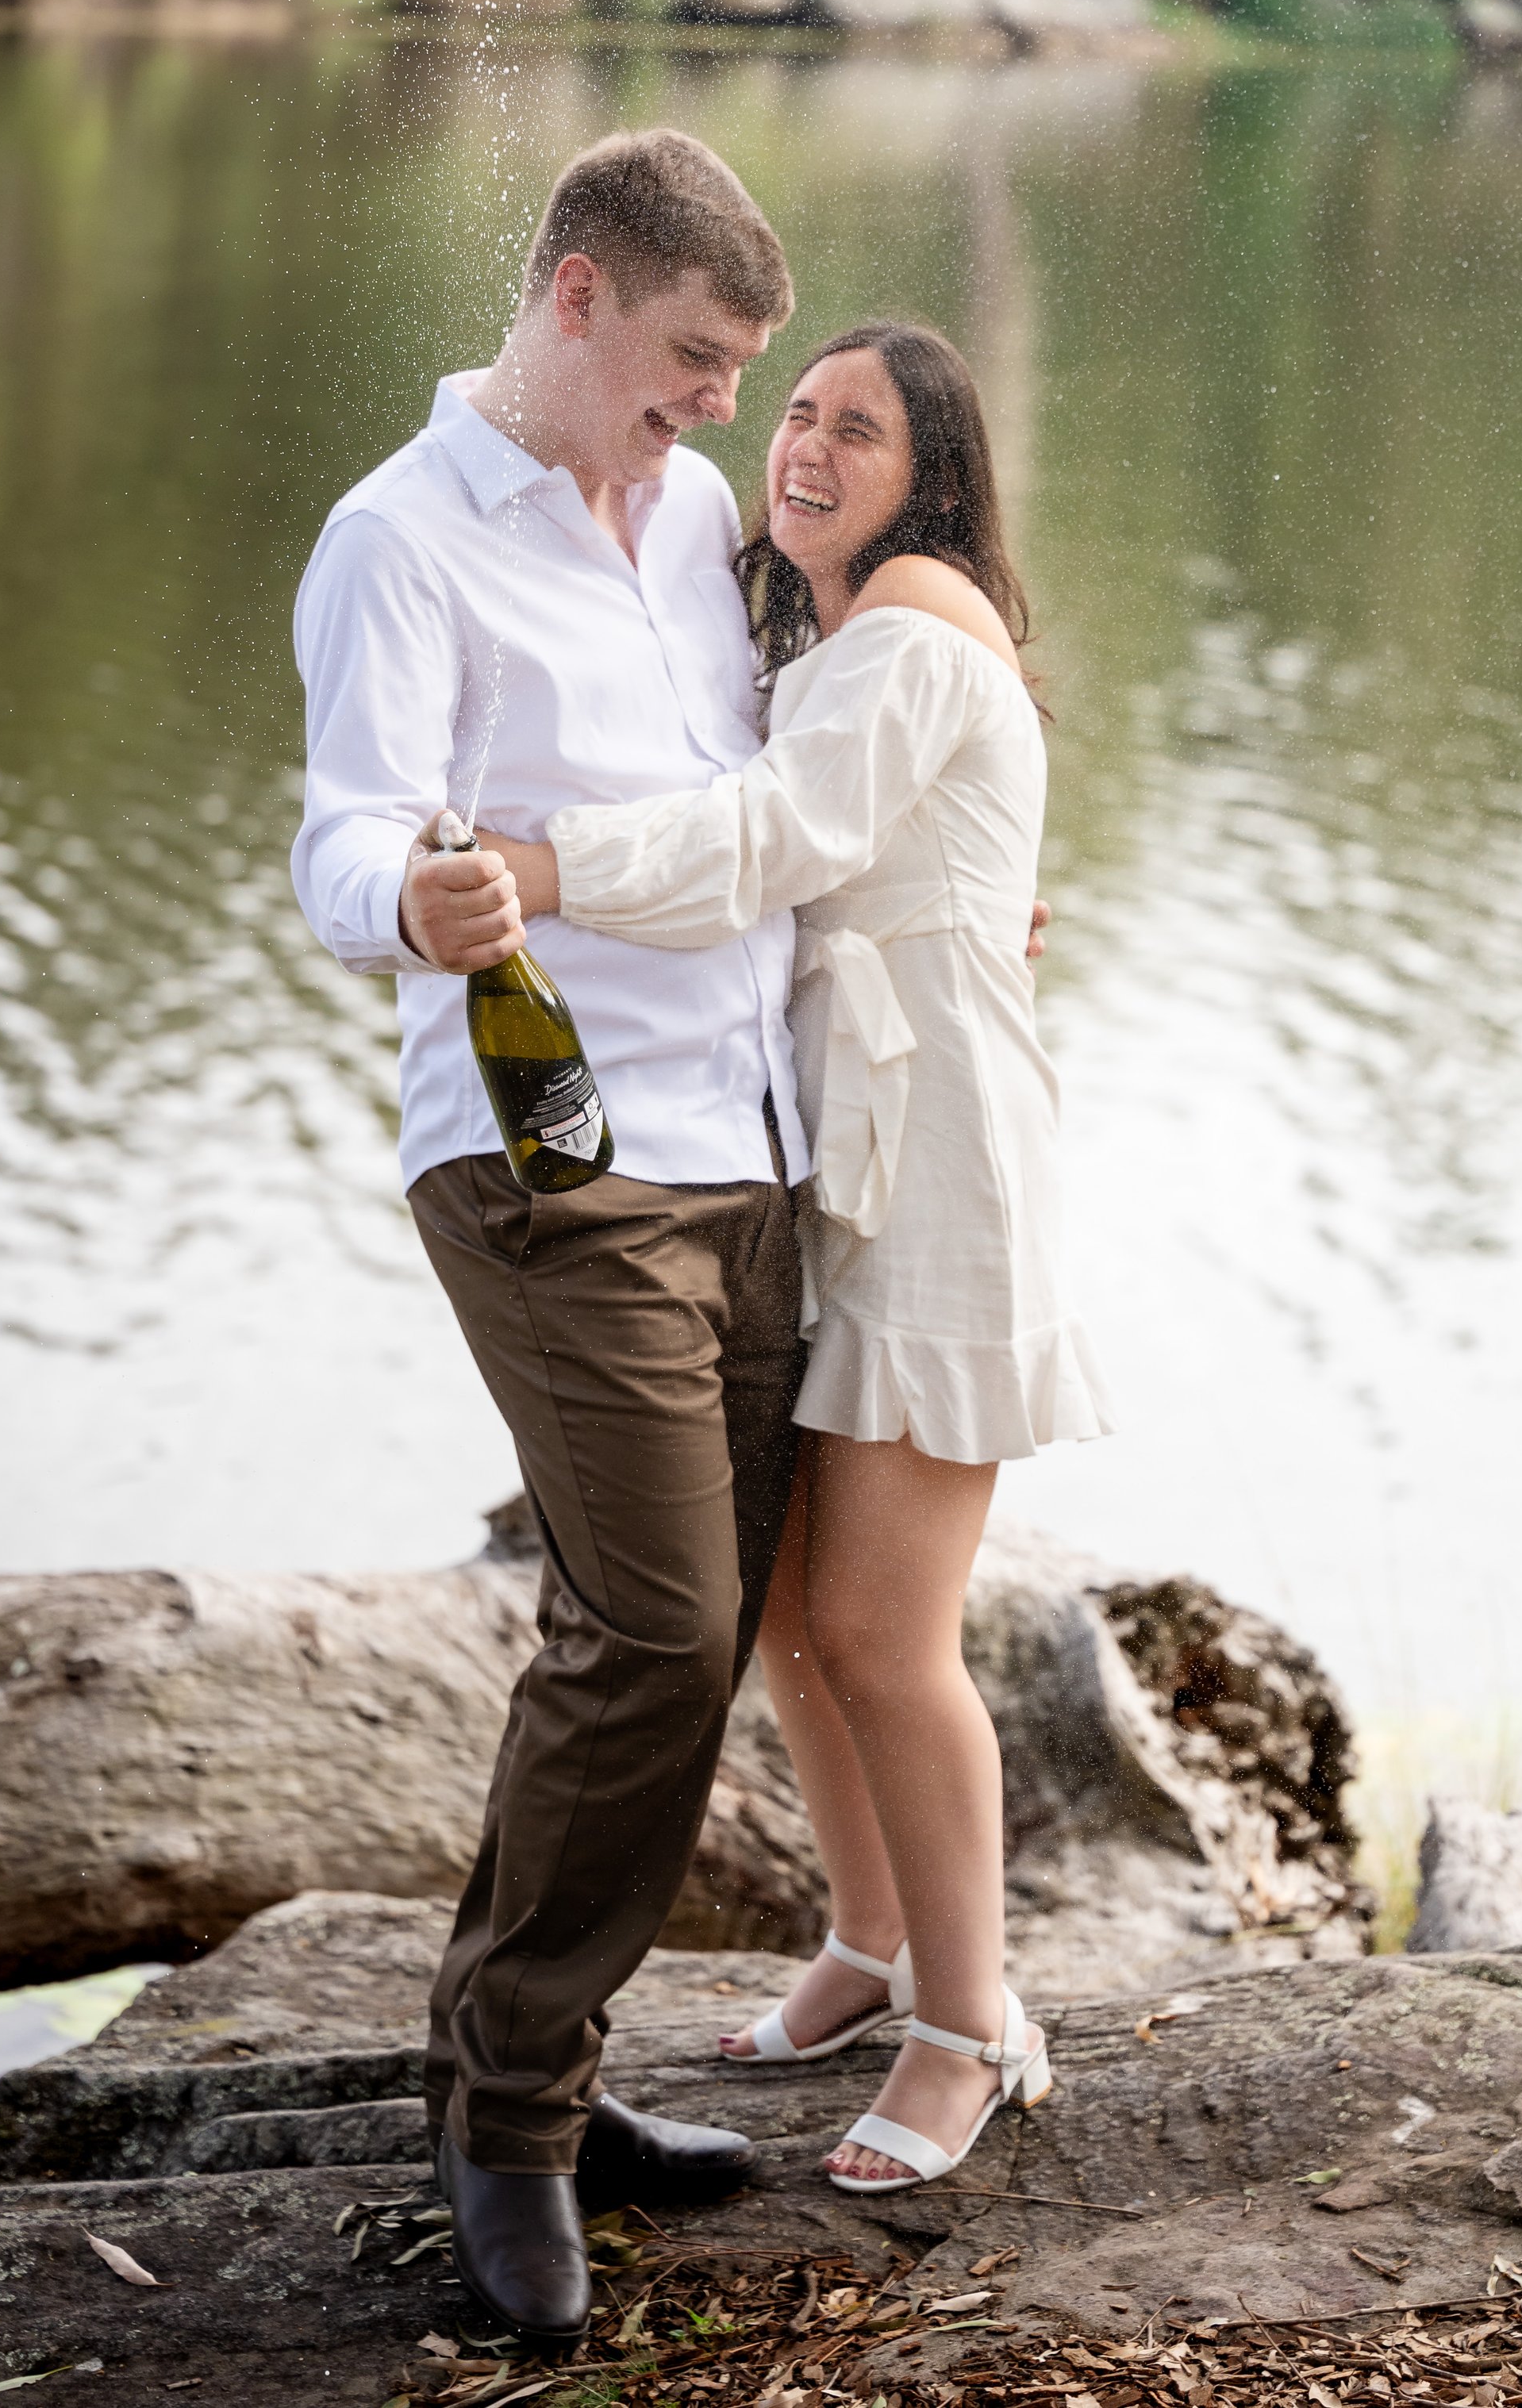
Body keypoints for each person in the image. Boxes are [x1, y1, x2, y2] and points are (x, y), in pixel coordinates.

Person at [467, 320, 1112, 2196]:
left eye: (862, 430)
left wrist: (549, 865)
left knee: (885, 1641)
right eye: (800, 416)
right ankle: (867, 1938)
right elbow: (867, 841)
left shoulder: (908, 612)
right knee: (789, 1619)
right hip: (841, 1151)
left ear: (933, 480)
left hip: (937, 1172)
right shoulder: (832, 632)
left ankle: (965, 2030)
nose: (808, 450)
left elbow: (783, 833)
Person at [290, 129, 815, 2340]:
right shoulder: (401, 537)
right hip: (545, 1148)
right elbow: (337, 831)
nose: (715, 409)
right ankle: (507, 2126)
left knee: (669, 1628)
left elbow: (751, 802)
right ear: (580, 296)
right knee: (659, 1621)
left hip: (754, 1139)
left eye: (737, 372)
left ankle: (532, 2057)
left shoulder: (687, 512)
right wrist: (410, 896)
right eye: (693, 357)